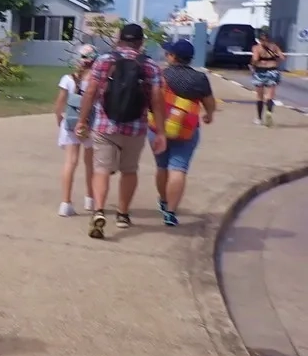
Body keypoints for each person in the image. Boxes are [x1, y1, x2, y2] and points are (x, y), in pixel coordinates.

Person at [74, 23, 166, 239]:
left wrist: (82, 120)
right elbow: (156, 99)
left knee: (101, 169)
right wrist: (161, 132)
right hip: (135, 127)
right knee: (129, 170)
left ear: (119, 40)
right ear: (141, 43)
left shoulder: (105, 60)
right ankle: (123, 214)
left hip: (105, 125)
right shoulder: (150, 66)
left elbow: (91, 92)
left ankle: (99, 210)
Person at [149, 39, 216, 226]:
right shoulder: (199, 78)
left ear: (173, 56)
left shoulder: (161, 75)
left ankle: (163, 201)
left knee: (162, 167)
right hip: (187, 128)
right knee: (178, 168)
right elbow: (210, 103)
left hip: (159, 127)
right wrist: (209, 115)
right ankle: (170, 213)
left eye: (168, 53)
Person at [54, 44, 97, 217]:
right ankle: (90, 199)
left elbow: (59, 104)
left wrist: (60, 119)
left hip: (71, 123)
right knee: (90, 163)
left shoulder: (68, 79)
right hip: (90, 124)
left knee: (70, 162)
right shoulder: (97, 80)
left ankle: (66, 202)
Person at [250, 28, 284, 126]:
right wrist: (275, 61)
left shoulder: (256, 48)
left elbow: (255, 59)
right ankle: (269, 113)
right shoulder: (274, 47)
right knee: (270, 96)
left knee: (260, 96)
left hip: (260, 71)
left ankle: (259, 118)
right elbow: (282, 57)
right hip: (273, 71)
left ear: (259, 39)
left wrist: (252, 65)